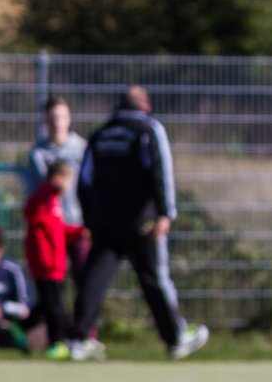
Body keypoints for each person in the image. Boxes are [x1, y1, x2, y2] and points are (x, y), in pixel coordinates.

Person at [67, 86, 208, 361]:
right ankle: (175, 337)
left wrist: (90, 219)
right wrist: (166, 213)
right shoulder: (148, 130)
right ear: (145, 104)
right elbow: (160, 170)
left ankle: (79, 338)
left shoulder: (101, 134)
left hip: (104, 222)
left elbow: (84, 182)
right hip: (141, 223)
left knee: (94, 279)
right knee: (155, 279)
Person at [23, 161, 87, 359]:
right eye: (69, 180)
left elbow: (58, 230)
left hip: (56, 263)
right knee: (55, 307)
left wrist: (80, 232)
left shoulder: (53, 201)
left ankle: (19, 326)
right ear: (59, 179)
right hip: (47, 264)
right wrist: (53, 186)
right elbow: (31, 212)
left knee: (48, 304)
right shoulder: (44, 198)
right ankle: (57, 343)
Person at [26, 95, 89, 285]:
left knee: (84, 277)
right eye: (52, 118)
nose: (57, 123)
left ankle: (84, 315)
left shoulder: (81, 149)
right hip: (51, 229)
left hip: (77, 224)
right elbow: (35, 192)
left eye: (61, 117)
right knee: (51, 283)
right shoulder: (38, 153)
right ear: (45, 121)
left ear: (68, 119)